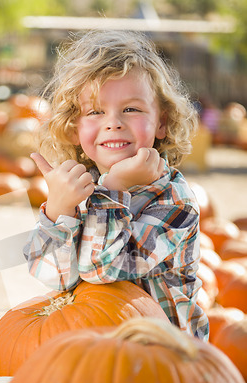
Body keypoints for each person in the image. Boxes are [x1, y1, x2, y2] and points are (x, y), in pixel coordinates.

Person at [24, 30, 209, 340]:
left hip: (164, 359)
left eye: (131, 109)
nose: (113, 122)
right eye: (96, 111)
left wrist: (115, 187)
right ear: (73, 129)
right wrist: (58, 209)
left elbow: (102, 271)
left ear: (161, 122)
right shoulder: (81, 189)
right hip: (94, 349)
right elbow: (51, 276)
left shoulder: (174, 201)